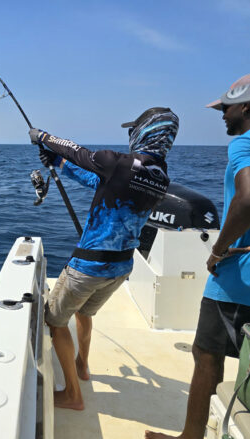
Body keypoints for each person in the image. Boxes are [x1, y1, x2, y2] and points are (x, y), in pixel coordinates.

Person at [29, 107, 179, 410]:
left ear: (145, 131)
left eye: (132, 130)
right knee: (85, 313)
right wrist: (57, 162)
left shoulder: (118, 162)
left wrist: (43, 137)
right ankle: (82, 365)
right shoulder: (160, 177)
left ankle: (72, 394)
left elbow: (79, 152)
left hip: (89, 266)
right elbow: (97, 181)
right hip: (121, 268)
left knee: (55, 321)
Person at [145, 75, 250, 439]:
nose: (222, 115)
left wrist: (218, 251)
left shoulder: (243, 144)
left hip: (238, 281)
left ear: (246, 107)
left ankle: (191, 437)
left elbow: (247, 199)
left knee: (206, 356)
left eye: (226, 107)